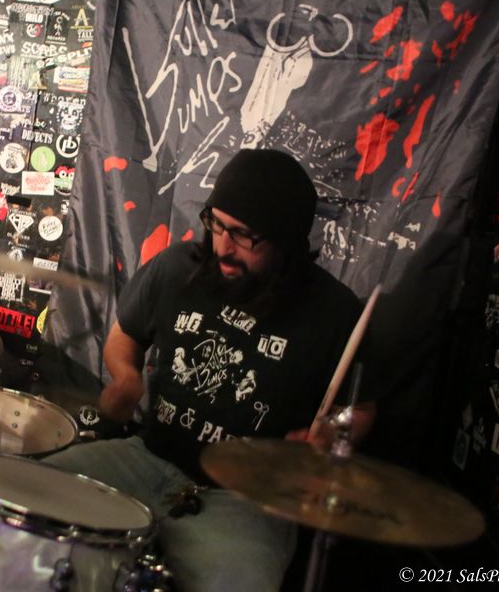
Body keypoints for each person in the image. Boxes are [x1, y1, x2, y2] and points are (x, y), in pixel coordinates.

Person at [44, 148, 376, 591]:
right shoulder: (179, 267)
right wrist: (126, 375)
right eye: (217, 225)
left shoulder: (332, 312)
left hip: (246, 499)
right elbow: (125, 335)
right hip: (148, 457)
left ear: (286, 241)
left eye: (244, 235)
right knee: (33, 493)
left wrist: (331, 434)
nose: (224, 247)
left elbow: (361, 408)